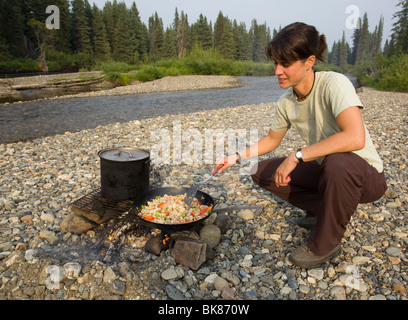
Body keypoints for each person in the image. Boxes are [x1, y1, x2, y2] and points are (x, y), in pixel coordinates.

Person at [213, 22, 387, 269]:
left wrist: (297, 155)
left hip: (365, 176)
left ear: (309, 61)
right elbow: (271, 141)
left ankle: (325, 243)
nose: (277, 71)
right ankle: (325, 212)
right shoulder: (286, 101)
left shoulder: (334, 84)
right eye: (275, 63)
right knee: (260, 172)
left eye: (286, 64)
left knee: (337, 162)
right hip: (326, 169)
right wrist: (235, 157)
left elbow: (354, 138)